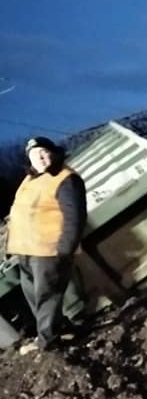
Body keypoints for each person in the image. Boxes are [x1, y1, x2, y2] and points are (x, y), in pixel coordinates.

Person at [6, 136, 87, 352]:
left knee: (47, 296)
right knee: (34, 296)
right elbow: (18, 213)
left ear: (53, 152)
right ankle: (61, 329)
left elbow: (75, 217)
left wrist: (65, 250)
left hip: (48, 251)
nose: (39, 158)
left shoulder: (66, 179)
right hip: (25, 250)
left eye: (43, 153)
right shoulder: (31, 179)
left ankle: (47, 342)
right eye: (34, 155)